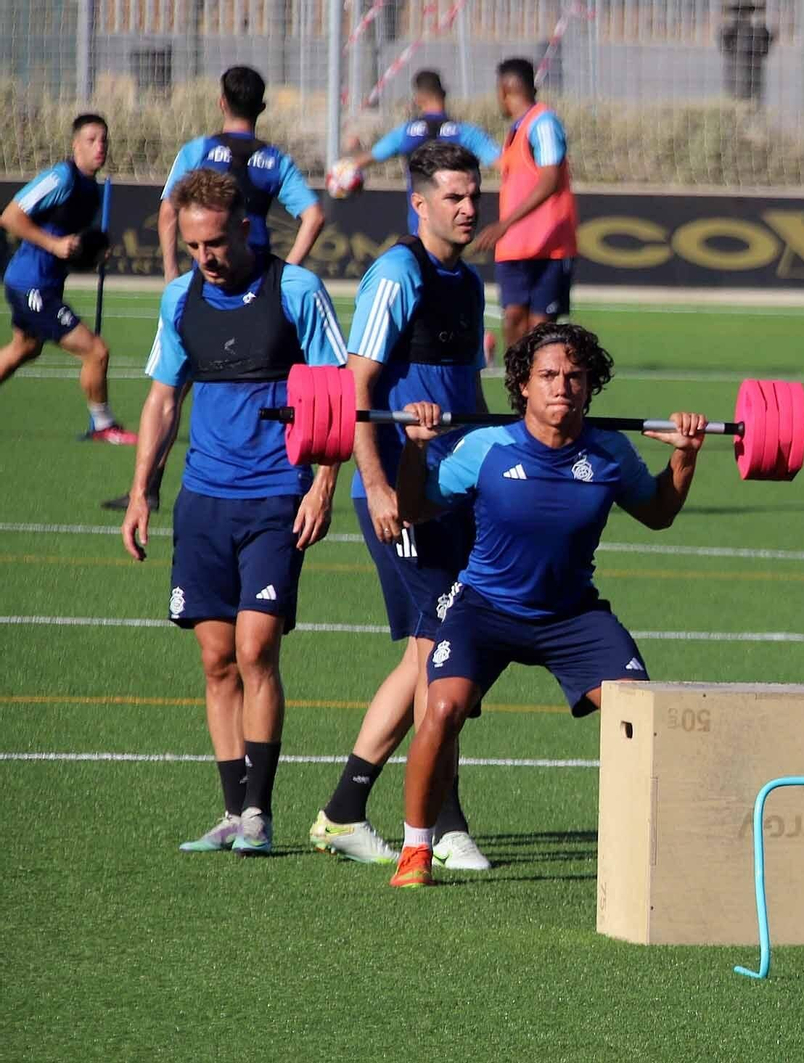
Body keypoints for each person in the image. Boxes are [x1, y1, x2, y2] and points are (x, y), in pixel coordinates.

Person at [385, 323, 706, 887]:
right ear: (524, 387)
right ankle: (416, 848)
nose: (563, 387)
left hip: (570, 616)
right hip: (484, 608)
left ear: (590, 387)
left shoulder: (610, 455)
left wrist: (684, 458)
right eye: (550, 375)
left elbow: (657, 513)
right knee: (441, 709)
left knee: (640, 715)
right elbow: (412, 507)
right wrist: (415, 449)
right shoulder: (484, 449)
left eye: (576, 377)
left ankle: (647, 851)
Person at [120, 168, 347, 856]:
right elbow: (163, 399)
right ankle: (229, 812)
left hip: (276, 495)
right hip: (204, 501)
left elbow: (336, 392)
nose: (205, 258)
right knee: (217, 659)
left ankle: (259, 813)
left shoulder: (297, 291)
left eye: (215, 243)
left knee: (256, 649)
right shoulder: (180, 300)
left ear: (246, 226)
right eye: (193, 247)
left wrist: (323, 486)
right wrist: (142, 488)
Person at [308, 141, 491, 870]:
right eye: (453, 196)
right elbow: (355, 390)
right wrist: (378, 484)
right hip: (400, 494)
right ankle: (441, 821)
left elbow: (468, 398)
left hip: (455, 492)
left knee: (433, 652)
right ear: (419, 203)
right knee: (441, 652)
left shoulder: (470, 283)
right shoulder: (396, 273)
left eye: (474, 194)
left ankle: (347, 810)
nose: (468, 206)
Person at [103, 64, 326, 512]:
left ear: (222, 102)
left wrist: (171, 273)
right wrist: (287, 273)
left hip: (207, 290)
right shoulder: (274, 159)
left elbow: (168, 212)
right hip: (260, 283)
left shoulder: (198, 150)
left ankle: (148, 485)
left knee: (171, 388)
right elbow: (314, 216)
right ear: (261, 107)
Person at [0, 113, 135, 443]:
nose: (99, 146)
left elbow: (67, 245)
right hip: (31, 284)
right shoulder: (61, 177)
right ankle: (103, 425)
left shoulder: (91, 189)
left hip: (44, 283)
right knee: (96, 351)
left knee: (24, 349)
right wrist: (54, 244)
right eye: (91, 140)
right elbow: (10, 217)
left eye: (104, 139)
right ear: (75, 145)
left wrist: (90, 251)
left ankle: (102, 425)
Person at [471, 58, 578, 349]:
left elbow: (550, 178)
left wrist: (505, 223)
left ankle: (537, 385)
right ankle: (518, 385)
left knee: (540, 326)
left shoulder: (543, 123)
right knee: (514, 318)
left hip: (549, 245)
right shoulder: (516, 130)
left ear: (505, 89)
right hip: (515, 246)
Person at [341, 69, 502, 236]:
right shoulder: (466, 133)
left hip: (420, 227)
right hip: (454, 226)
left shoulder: (405, 133)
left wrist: (351, 155)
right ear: (444, 94)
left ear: (418, 99)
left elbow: (363, 160)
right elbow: (505, 164)